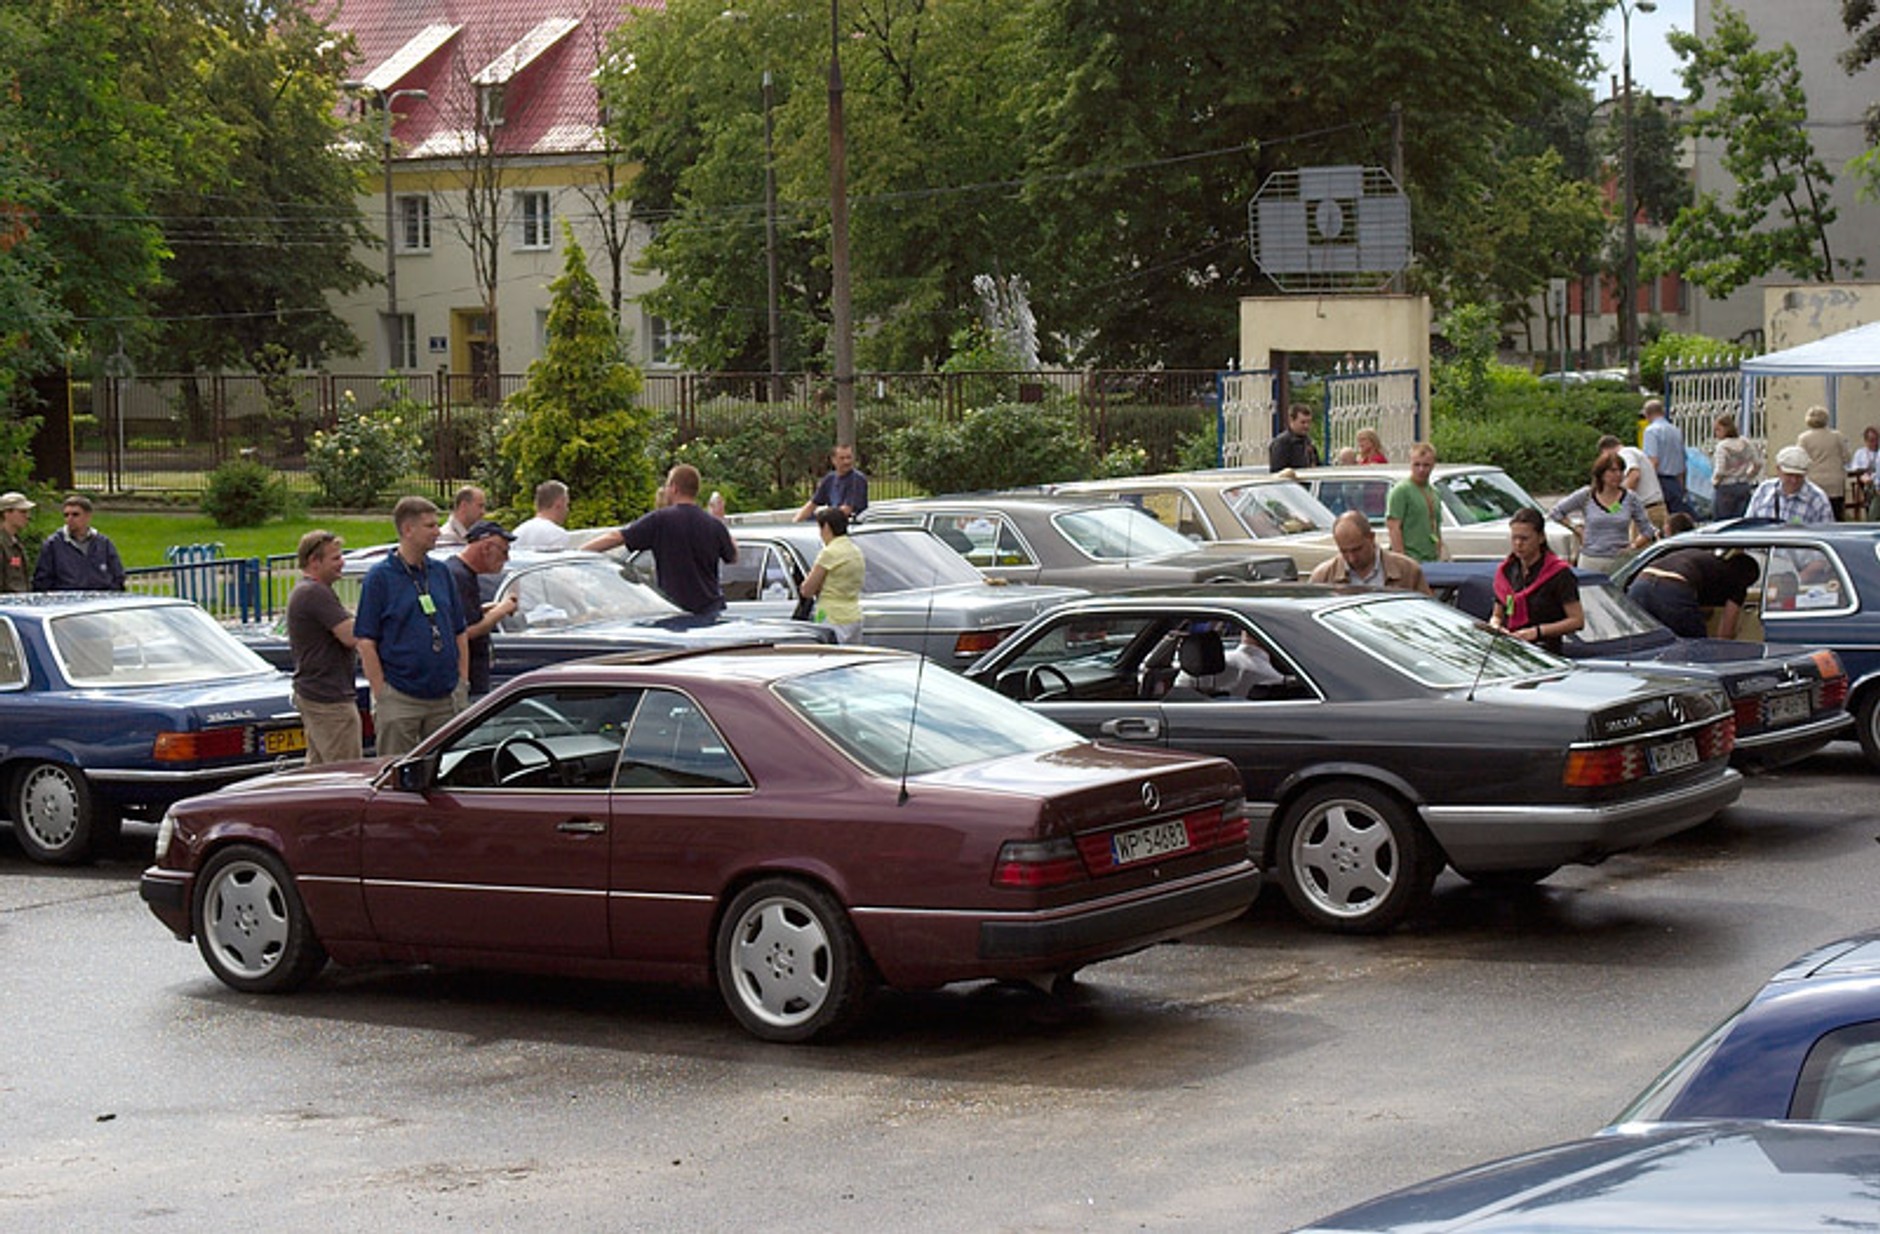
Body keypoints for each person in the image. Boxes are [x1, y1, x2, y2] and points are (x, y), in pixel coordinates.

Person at [353, 495, 469, 757]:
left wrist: (462, 681)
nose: (438, 532)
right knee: (397, 773)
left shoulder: (441, 572)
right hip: (401, 697)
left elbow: (459, 630)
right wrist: (382, 692)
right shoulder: (380, 578)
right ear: (408, 530)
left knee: (444, 768)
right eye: (430, 526)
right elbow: (365, 640)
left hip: (445, 696)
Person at [582, 464, 736, 617]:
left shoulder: (660, 520)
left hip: (676, 611)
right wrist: (721, 522)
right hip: (711, 610)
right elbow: (733, 556)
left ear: (674, 488)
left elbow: (617, 537)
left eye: (667, 484)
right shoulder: (713, 524)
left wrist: (578, 552)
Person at [286, 529, 362, 765]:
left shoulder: (311, 591)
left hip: (316, 692)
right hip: (329, 699)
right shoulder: (314, 593)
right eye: (335, 558)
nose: (342, 563)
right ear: (314, 561)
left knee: (318, 772)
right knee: (346, 771)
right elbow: (350, 636)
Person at [1489, 508, 1583, 654]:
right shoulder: (1506, 571)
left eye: (1525, 538)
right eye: (1514, 538)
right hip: (1511, 650)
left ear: (1541, 538)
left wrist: (1537, 632)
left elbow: (1577, 620)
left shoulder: (1558, 573)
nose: (1518, 544)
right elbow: (1498, 614)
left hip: (1546, 652)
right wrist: (1495, 626)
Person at [445, 520, 521, 699]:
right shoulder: (459, 576)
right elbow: (466, 631)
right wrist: (502, 609)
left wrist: (487, 609)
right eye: (504, 551)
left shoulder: (459, 572)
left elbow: (463, 614)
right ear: (486, 548)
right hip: (467, 677)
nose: (507, 559)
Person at [1548, 453, 1655, 575]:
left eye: (1621, 471)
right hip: (1591, 560)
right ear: (1601, 473)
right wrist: (1577, 529)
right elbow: (1556, 512)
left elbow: (1647, 530)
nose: (1618, 475)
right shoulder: (1587, 495)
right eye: (1613, 471)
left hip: (1619, 562)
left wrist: (1634, 546)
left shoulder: (1630, 498)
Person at [1626, 547, 1761, 639]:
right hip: (1673, 587)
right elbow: (1725, 634)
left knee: (1645, 644)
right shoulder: (1737, 583)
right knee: (1696, 647)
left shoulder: (1710, 563)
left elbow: (1699, 606)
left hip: (1641, 583)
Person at [1307, 510, 1431, 593]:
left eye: (1357, 549)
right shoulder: (1323, 577)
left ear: (1371, 537)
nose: (1352, 558)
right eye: (1344, 551)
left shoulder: (1407, 571)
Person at [797, 506, 865, 643]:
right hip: (854, 615)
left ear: (826, 527)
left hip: (831, 616)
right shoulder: (855, 550)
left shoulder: (829, 553)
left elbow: (807, 589)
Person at [33, 494, 125, 591]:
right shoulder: (53, 545)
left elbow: (117, 576)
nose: (70, 519)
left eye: (75, 514)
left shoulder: (103, 543)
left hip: (100, 601)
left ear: (88, 516)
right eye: (66, 515)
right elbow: (43, 580)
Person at [1385, 442, 1444, 562]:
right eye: (1416, 465)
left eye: (1426, 465)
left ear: (1433, 465)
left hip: (1431, 560)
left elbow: (1436, 526)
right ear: (1410, 464)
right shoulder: (1401, 491)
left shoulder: (1434, 492)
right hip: (1411, 559)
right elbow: (1394, 528)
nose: (1421, 470)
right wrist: (1402, 561)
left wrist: (1439, 552)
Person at [1747, 446, 1835, 525]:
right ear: (1778, 470)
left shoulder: (1817, 499)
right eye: (1789, 475)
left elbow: (1826, 533)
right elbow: (1748, 525)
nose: (1794, 480)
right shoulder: (1764, 490)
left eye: (1799, 476)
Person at [1796, 405, 1853, 520]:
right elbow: (1847, 457)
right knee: (1836, 512)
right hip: (1835, 482)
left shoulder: (1804, 438)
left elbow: (1799, 460)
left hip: (1814, 480)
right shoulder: (1837, 436)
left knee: (1815, 513)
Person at [1599, 433, 1666, 532]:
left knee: (1639, 547)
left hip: (1647, 511)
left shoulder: (1624, 454)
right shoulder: (1634, 452)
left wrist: (1615, 505)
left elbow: (1634, 476)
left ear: (1605, 451)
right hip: (1655, 508)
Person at [794, 443, 869, 522]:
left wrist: (824, 518)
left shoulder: (858, 479)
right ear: (833, 460)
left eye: (849, 458)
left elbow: (846, 510)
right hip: (832, 522)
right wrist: (795, 522)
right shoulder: (829, 479)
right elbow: (812, 504)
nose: (846, 462)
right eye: (842, 458)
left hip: (849, 523)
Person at [1641, 398, 1689, 518]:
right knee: (1676, 520)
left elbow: (1653, 461)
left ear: (1647, 415)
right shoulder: (1676, 431)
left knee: (1662, 522)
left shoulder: (1651, 431)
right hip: (1676, 482)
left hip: (1661, 481)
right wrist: (1682, 486)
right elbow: (1682, 461)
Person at [1711, 415, 1763, 522]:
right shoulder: (1745, 442)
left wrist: (1715, 481)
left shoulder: (1722, 446)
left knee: (1723, 523)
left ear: (1726, 429)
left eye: (1718, 429)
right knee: (1742, 521)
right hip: (1743, 485)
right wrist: (1749, 475)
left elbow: (1720, 470)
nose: (1716, 433)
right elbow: (1757, 463)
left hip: (1726, 487)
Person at [512, 479, 571, 550]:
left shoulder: (517, 533)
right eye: (567, 505)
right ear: (558, 505)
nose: (567, 510)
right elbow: (562, 560)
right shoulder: (557, 535)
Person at [1267, 404, 1321, 472]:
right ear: (1291, 420)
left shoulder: (1308, 442)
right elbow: (1278, 472)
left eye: (1309, 422)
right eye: (1303, 422)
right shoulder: (1282, 443)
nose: (1306, 426)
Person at [0, 491, 34, 593]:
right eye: (22, 512)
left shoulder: (15, 541)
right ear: (6, 513)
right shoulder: (2, 543)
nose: (27, 516)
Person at [1851, 425, 1880, 520]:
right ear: (1866, 441)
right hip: (1864, 481)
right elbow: (1854, 468)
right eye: (1871, 440)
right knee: (1867, 481)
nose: (1874, 443)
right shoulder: (1860, 453)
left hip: (1876, 480)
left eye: (1876, 440)